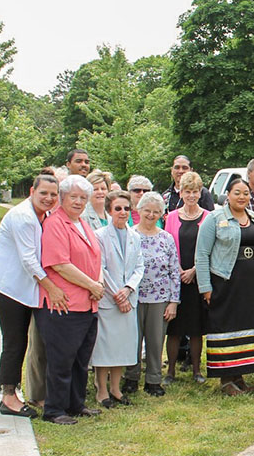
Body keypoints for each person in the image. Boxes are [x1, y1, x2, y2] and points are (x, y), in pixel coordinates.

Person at [0, 172, 68, 418]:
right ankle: (8, 397)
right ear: (32, 192)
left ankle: (16, 392)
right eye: (43, 193)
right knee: (14, 342)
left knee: (20, 341)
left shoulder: (43, 216)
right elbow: (29, 260)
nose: (49, 198)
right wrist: (52, 288)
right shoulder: (23, 218)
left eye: (54, 195)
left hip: (23, 289)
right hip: (7, 288)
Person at [35, 174, 104, 425]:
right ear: (62, 198)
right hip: (65, 303)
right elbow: (60, 264)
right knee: (61, 359)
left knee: (80, 359)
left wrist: (98, 283)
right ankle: (54, 409)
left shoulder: (82, 224)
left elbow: (96, 258)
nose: (78, 202)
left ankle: (76, 404)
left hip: (88, 303)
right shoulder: (56, 224)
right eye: (73, 197)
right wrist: (92, 285)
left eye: (83, 198)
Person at [197, 177, 254, 395]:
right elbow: (202, 254)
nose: (242, 197)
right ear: (227, 195)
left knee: (246, 325)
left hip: (253, 281)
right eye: (237, 192)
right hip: (225, 280)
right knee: (226, 327)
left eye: (246, 193)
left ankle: (240, 375)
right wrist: (205, 287)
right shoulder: (214, 218)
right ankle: (225, 379)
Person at [92, 190, 144, 408]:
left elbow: (139, 266)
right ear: (109, 211)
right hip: (108, 299)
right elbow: (100, 267)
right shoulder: (100, 235)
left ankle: (116, 388)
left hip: (128, 299)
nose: (122, 212)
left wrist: (129, 289)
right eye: (117, 209)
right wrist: (117, 293)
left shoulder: (135, 236)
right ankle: (101, 390)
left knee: (122, 347)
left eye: (126, 208)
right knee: (105, 347)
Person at [125, 192, 179, 396]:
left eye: (156, 211)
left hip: (160, 297)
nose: (151, 215)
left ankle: (154, 380)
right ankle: (131, 377)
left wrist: (174, 301)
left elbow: (175, 270)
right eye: (147, 210)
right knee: (133, 340)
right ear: (139, 211)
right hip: (134, 297)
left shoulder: (166, 238)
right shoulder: (130, 235)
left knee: (156, 341)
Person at [163, 171, 212, 383]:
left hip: (197, 277)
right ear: (181, 193)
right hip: (175, 278)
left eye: (195, 192)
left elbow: (211, 249)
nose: (191, 196)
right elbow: (167, 247)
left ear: (200, 193)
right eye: (187, 191)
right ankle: (170, 371)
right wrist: (179, 272)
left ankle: (196, 371)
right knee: (174, 329)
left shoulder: (208, 217)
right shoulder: (172, 217)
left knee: (195, 328)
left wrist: (194, 270)